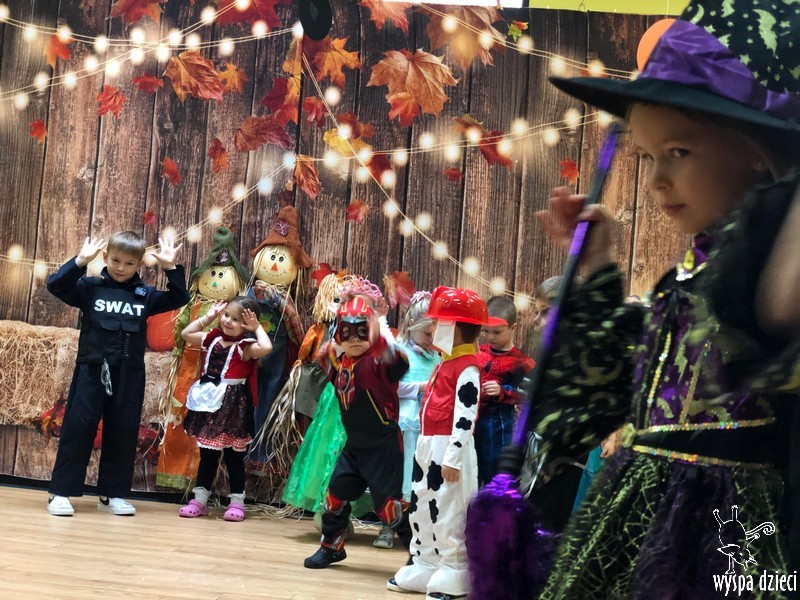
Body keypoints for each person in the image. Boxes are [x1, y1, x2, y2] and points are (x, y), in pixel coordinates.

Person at [529, 1, 800, 596]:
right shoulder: (683, 279)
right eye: (647, 155)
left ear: (757, 150)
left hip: (736, 537)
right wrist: (597, 267)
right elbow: (603, 400)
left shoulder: (768, 275)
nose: (654, 179)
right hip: (638, 520)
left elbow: (774, 310)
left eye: (678, 151)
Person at [46, 232, 190, 516]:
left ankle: (112, 495)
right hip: (91, 370)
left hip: (129, 374)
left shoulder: (145, 295)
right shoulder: (89, 287)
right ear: (105, 257)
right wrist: (79, 261)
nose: (121, 267)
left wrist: (170, 268)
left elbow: (179, 297)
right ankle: (60, 492)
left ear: (139, 264)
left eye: (128, 263)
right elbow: (56, 285)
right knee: (79, 427)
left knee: (123, 431)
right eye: (115, 260)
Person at [389, 286, 489, 600]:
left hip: (449, 449)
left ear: (455, 329)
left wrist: (453, 457)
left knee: (449, 509)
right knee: (421, 504)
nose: (431, 329)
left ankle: (454, 567)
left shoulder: (467, 367)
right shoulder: (444, 362)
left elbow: (465, 415)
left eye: (437, 323)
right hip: (428, 443)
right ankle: (426, 561)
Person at [304, 296, 411, 569]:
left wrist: (380, 339)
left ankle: (421, 556)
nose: (354, 339)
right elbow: (324, 359)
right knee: (334, 497)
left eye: (361, 331)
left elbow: (400, 363)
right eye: (347, 331)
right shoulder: (340, 362)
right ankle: (331, 547)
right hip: (355, 446)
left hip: (383, 447)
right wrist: (329, 347)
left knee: (390, 508)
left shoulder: (379, 361)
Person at [177, 296, 272, 521]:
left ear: (246, 324)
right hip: (209, 406)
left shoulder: (245, 347)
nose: (228, 321)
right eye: (227, 315)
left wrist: (256, 328)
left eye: (236, 319)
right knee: (208, 455)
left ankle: (237, 503)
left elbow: (266, 347)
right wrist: (209, 317)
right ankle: (200, 500)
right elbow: (186, 334)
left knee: (233, 457)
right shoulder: (212, 338)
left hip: (232, 408)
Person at [374, 290, 441, 549]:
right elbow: (389, 386)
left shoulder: (436, 357)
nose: (431, 340)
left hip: (428, 425)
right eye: (427, 334)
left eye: (435, 335)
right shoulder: (399, 353)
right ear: (412, 325)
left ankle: (417, 528)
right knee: (398, 475)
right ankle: (388, 526)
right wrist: (422, 387)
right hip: (403, 424)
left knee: (419, 477)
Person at [475, 296, 535, 486]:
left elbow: (530, 394)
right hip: (472, 424)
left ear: (513, 328)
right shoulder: (478, 352)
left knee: (495, 473)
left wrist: (503, 392)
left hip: (499, 427)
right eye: (485, 331)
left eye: (497, 332)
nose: (490, 337)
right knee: (471, 473)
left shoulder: (521, 361)